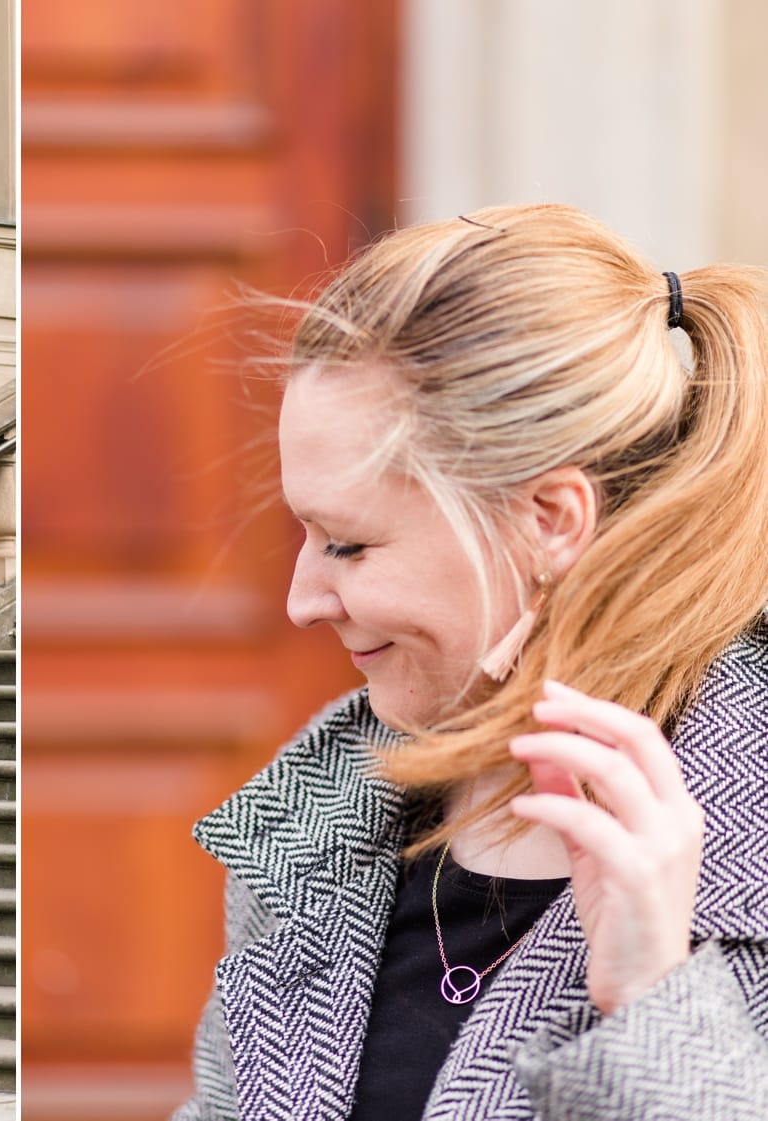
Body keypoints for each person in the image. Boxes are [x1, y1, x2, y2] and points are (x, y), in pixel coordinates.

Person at [175, 204, 768, 1120]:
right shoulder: (322, 810)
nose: (302, 599)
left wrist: (656, 1006)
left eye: (349, 544)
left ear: (549, 521)